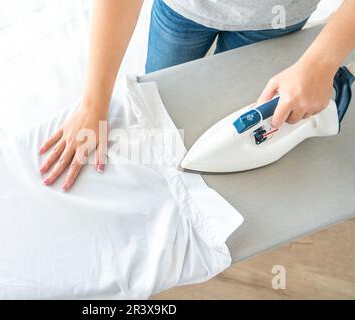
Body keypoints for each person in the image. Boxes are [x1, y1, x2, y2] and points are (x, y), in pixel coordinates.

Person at [38, 0, 355, 191]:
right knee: (164, 90)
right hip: (183, 10)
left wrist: (321, 63)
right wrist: (95, 103)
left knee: (228, 100)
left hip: (277, 17)